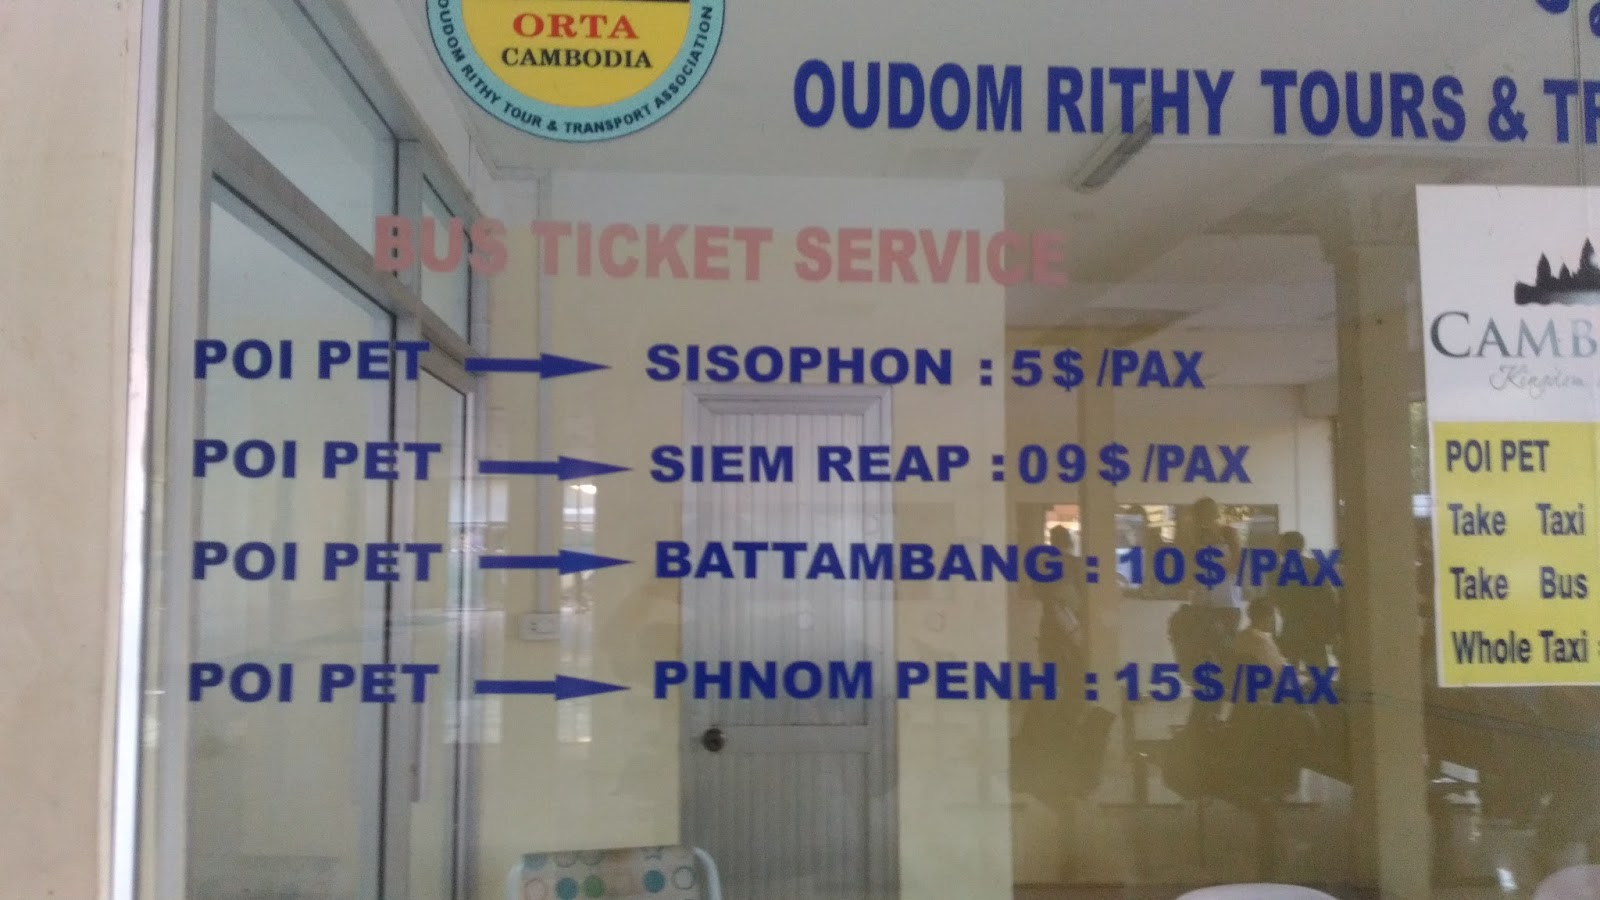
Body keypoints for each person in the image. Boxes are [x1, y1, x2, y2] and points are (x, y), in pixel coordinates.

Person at [1271, 531, 1340, 669]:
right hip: (1314, 626)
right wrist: (1330, 627)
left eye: (1281, 543)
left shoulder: (1279, 571)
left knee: (1291, 668)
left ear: (1287, 546)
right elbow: (1328, 597)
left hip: (1292, 626)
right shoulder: (1314, 566)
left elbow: (1275, 599)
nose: (1277, 546)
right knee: (1319, 668)